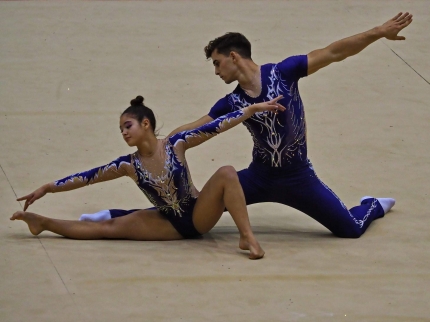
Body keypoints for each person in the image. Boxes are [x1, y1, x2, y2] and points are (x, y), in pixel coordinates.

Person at [93, 13, 412, 238]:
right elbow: (197, 127)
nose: (216, 71)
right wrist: (159, 140)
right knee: (194, 214)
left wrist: (377, 32)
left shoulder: (284, 73)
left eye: (217, 63)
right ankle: (114, 217)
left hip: (299, 177)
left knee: (351, 230)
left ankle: (373, 206)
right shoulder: (230, 103)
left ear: (234, 57)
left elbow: (334, 52)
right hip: (258, 177)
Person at [11, 95, 286, 260]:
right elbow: (87, 177)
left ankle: (246, 237)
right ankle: (43, 223)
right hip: (167, 223)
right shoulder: (128, 165)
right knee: (107, 228)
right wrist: (48, 187)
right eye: (120, 129)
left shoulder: (176, 143)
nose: (123, 133)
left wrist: (250, 111)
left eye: (127, 126)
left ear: (146, 124)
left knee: (226, 172)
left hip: (198, 214)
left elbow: (216, 127)